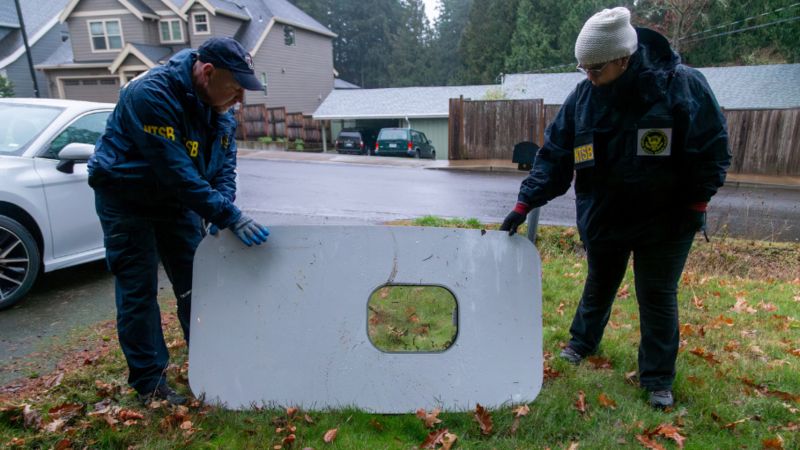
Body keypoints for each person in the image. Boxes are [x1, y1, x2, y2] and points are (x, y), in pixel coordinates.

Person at [499, 7, 730, 409]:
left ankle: (657, 379)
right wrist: (525, 202)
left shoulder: (680, 86)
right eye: (583, 68)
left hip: (667, 219)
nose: (588, 76)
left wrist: (697, 200)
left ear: (623, 58)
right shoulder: (584, 98)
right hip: (606, 215)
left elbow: (712, 149)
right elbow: (555, 155)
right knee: (599, 282)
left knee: (656, 294)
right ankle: (582, 342)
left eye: (596, 68)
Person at [88, 37, 270, 405]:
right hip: (127, 197)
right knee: (139, 290)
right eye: (235, 89)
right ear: (207, 73)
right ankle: (150, 383)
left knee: (197, 285)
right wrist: (227, 214)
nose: (240, 100)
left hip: (177, 201)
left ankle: (210, 363)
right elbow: (176, 171)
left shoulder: (220, 109)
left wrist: (223, 207)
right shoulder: (150, 94)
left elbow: (224, 167)